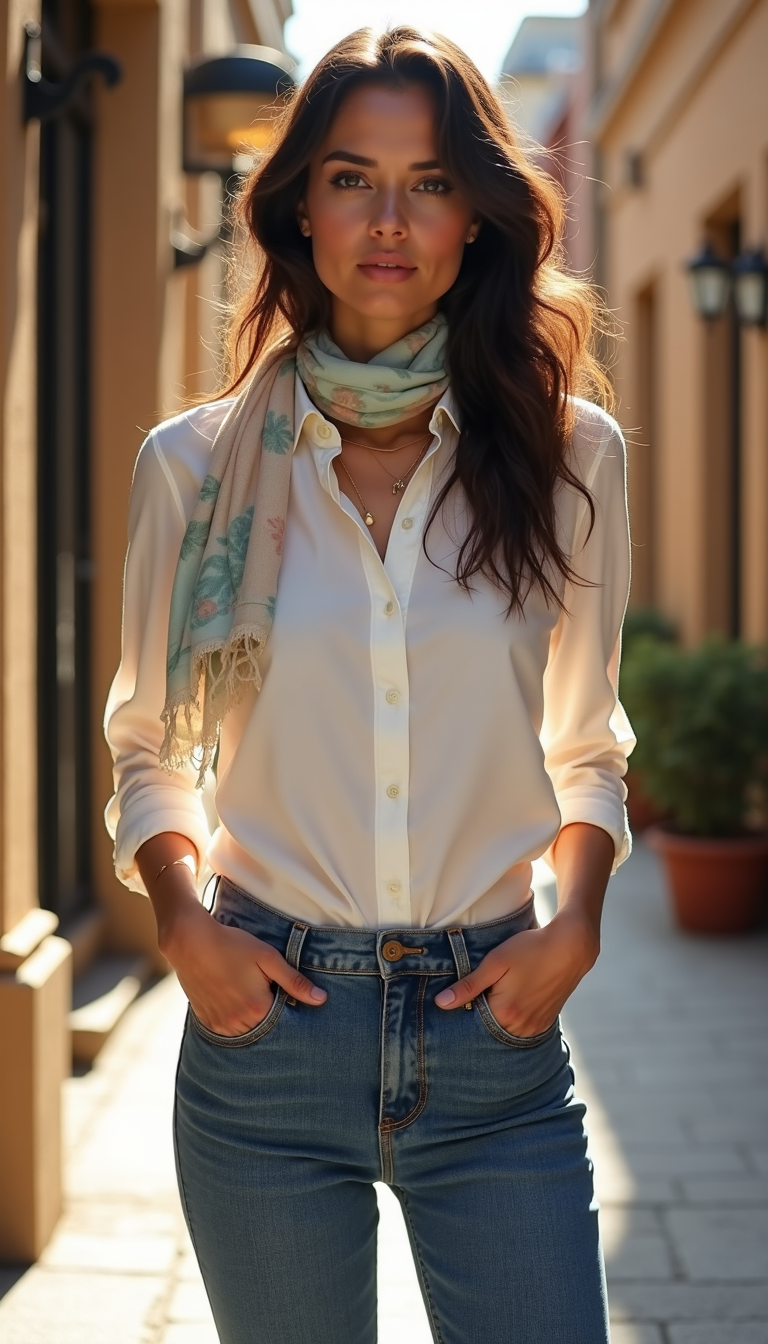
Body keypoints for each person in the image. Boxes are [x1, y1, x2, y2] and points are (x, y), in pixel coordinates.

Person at [105, 26, 633, 1344]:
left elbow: (589, 740)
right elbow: (149, 742)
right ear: (299, 208)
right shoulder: (197, 465)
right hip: (267, 1035)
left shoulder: (572, 456)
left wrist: (578, 924)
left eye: (431, 180)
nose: (389, 219)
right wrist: (184, 923)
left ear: (479, 216)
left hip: (495, 1035)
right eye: (351, 177)